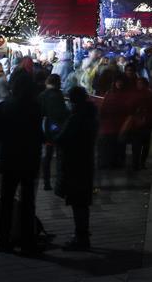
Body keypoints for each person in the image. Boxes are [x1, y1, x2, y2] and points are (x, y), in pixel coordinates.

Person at [0, 72, 45, 254]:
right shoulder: (35, 107)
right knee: (28, 200)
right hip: (29, 158)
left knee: (6, 199)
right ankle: (28, 242)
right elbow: (40, 134)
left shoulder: (3, 107)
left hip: (9, 158)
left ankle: (4, 240)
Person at [55, 86, 99, 251]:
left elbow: (63, 138)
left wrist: (55, 134)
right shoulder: (90, 116)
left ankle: (80, 237)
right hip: (85, 162)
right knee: (82, 202)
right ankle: (82, 235)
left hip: (74, 163)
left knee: (77, 202)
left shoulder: (76, 118)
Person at [38, 74, 69, 191]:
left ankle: (46, 182)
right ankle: (60, 180)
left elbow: (41, 113)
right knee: (61, 155)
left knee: (48, 156)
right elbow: (63, 112)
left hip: (48, 129)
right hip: (60, 129)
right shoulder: (59, 94)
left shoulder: (42, 95)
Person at [98, 73, 132, 168]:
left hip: (120, 124)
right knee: (111, 145)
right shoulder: (109, 93)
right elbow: (103, 108)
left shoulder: (125, 95)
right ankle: (111, 162)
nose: (119, 83)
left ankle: (117, 163)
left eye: (121, 82)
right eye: (118, 81)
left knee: (119, 145)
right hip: (110, 124)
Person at [128, 74, 152, 170]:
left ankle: (141, 162)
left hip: (145, 122)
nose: (139, 85)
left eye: (141, 83)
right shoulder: (135, 94)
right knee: (137, 145)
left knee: (144, 144)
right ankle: (136, 162)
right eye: (138, 83)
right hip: (137, 123)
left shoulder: (148, 94)